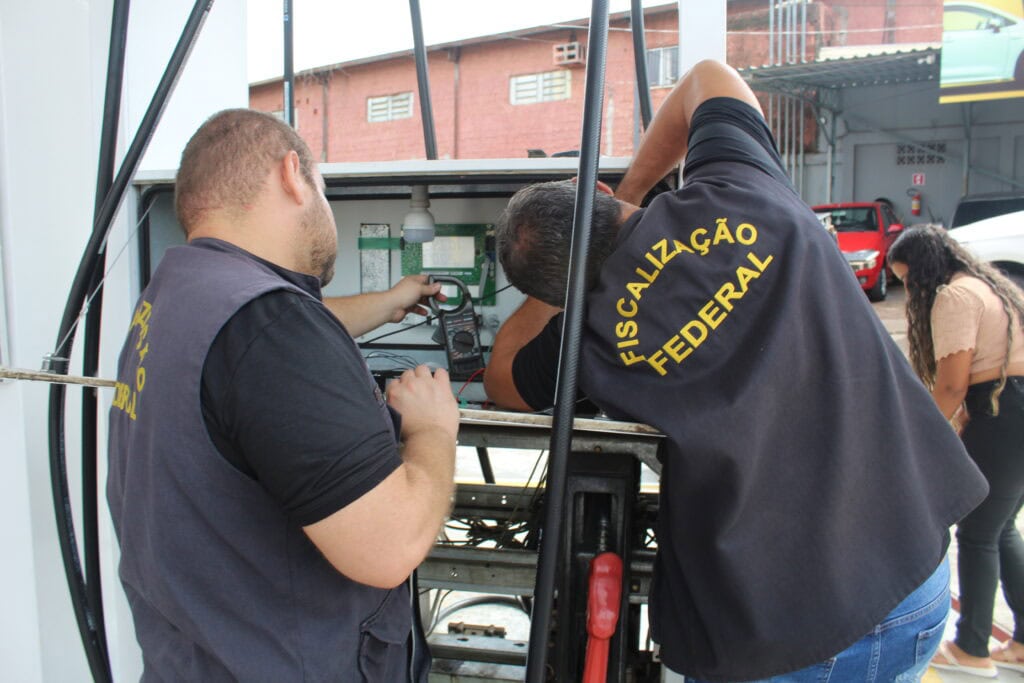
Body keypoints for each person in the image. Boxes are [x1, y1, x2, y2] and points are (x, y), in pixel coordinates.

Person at [484, 60, 988, 682]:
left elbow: (501, 380)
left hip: (778, 632)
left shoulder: (586, 335)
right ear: (604, 197)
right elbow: (706, 77)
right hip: (912, 571)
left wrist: (562, 284)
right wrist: (625, 190)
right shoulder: (738, 187)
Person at [107, 109, 459, 682]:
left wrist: (387, 302)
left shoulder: (177, 296)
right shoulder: (271, 328)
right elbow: (390, 547)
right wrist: (432, 429)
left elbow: (263, 348)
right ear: (293, 174)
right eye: (324, 190)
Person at [888, 225, 1024, 678]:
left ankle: (972, 648)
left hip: (1002, 412)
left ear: (924, 270)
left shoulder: (955, 296)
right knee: (1001, 529)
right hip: (1015, 406)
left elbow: (951, 385)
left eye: (907, 280)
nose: (909, 292)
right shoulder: (991, 286)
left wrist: (919, 436)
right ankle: (1021, 642)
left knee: (978, 533)